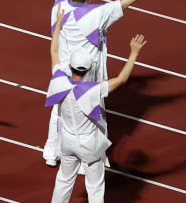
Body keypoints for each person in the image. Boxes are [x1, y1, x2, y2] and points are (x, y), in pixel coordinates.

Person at [42, 0, 160, 166]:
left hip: (62, 68)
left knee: (59, 110)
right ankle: (86, 161)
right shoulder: (96, 14)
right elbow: (124, 4)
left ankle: (51, 151)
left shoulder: (59, 6)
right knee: (91, 114)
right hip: (86, 71)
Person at [47, 12, 145, 202]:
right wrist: (133, 53)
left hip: (66, 140)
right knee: (95, 187)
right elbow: (122, 79)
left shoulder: (59, 80)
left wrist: (59, 23)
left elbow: (54, 51)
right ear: (90, 68)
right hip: (89, 144)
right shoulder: (93, 89)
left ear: (70, 65)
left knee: (63, 180)